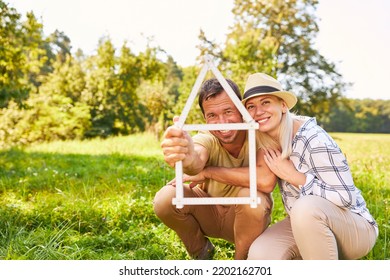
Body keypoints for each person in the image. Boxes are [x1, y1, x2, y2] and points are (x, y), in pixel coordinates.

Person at [240, 73, 378, 260]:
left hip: (355, 228)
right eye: (251, 106)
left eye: (266, 102)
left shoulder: (313, 139)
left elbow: (346, 197)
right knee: (260, 254)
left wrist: (295, 177)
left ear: (283, 105)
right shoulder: (266, 140)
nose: (258, 112)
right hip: (303, 223)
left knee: (304, 208)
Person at [154, 78, 277, 260]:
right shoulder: (207, 136)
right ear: (205, 118)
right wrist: (187, 156)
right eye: (212, 115)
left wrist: (209, 172)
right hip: (208, 212)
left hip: (245, 219)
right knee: (166, 198)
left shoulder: (260, 134)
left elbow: (265, 181)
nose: (222, 122)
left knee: (253, 198)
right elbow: (196, 160)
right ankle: (201, 251)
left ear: (241, 111)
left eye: (228, 111)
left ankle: (241, 263)